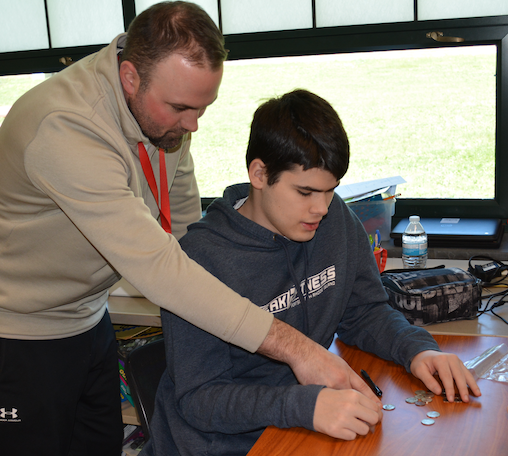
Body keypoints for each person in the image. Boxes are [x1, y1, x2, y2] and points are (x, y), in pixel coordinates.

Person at [0, 2, 377, 456]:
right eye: (181, 108)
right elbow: (157, 266)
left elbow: (188, 233)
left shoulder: (162, 117)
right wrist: (297, 348)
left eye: (202, 107)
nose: (192, 124)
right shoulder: (67, 128)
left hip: (84, 314)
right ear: (130, 77)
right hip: (13, 327)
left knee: (98, 445)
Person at [144, 89, 481, 456]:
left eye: (330, 190)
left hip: (296, 429)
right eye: (305, 191)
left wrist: (417, 351)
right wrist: (306, 406)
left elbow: (364, 312)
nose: (320, 208)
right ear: (259, 174)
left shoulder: (334, 218)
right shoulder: (199, 260)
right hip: (217, 444)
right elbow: (200, 399)